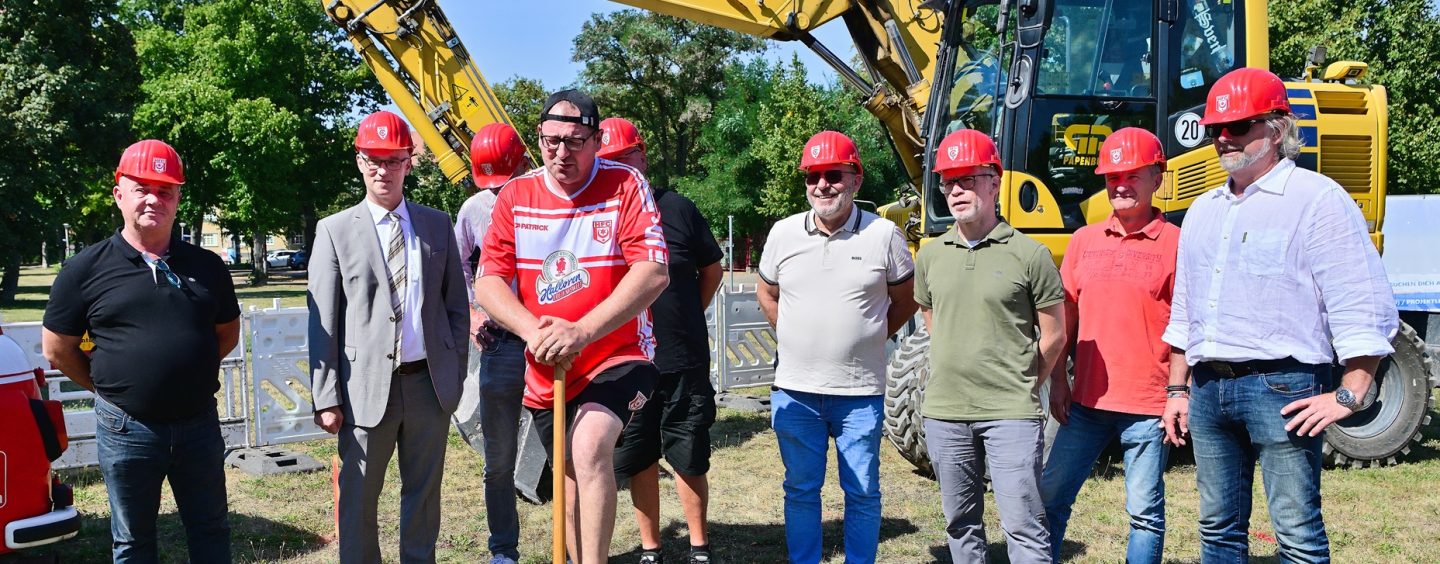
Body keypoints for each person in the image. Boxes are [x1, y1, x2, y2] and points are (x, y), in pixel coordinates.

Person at [1160, 67, 1398, 562]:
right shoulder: (1203, 210)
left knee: (1296, 535)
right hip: (1207, 389)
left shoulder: (1317, 199)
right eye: (1214, 130)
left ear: (1276, 128)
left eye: (1238, 126)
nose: (1223, 138)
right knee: (1217, 530)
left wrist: (1349, 396)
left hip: (1282, 388)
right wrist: (1178, 390)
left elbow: (1361, 303)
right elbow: (1186, 310)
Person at [474, 89, 669, 564]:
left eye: (576, 141)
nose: (562, 153)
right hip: (547, 366)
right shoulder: (517, 195)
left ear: (596, 140)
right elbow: (489, 282)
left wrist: (581, 331)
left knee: (588, 445)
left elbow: (653, 271)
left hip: (619, 356)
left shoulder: (625, 185)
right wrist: (533, 331)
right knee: (566, 473)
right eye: (551, 141)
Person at [42, 139, 239, 563]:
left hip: (198, 425)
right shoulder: (84, 269)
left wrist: (187, 372)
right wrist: (113, 386)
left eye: (165, 189)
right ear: (118, 194)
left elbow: (226, 334)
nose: (154, 198)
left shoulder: (208, 266)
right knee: (133, 540)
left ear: (179, 197)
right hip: (126, 429)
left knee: (210, 529)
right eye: (141, 188)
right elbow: (58, 349)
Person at [307, 110, 469, 564]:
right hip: (363, 391)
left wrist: (453, 372)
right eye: (373, 160)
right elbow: (323, 323)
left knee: (423, 497)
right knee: (358, 498)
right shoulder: (335, 231)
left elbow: (455, 306)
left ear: (409, 163)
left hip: (428, 385)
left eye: (393, 160)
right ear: (359, 161)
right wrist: (326, 397)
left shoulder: (437, 224)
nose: (383, 170)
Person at [756, 130, 917, 564]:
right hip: (795, 392)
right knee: (801, 490)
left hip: (860, 394)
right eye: (813, 176)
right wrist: (790, 332)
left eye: (834, 174)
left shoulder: (884, 235)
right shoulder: (783, 233)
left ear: (856, 179)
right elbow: (767, 293)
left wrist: (870, 335)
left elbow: (905, 299)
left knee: (862, 491)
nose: (823, 185)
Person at [913, 129, 1065, 563]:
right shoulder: (931, 254)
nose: (957, 190)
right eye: (948, 182)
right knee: (960, 524)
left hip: (1010, 414)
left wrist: (1022, 382)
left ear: (995, 180)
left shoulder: (1030, 254)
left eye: (969, 178)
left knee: (1024, 525)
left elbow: (1054, 334)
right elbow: (931, 319)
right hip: (945, 412)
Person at [1039, 127, 1180, 563]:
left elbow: (1185, 327)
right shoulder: (1083, 241)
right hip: (1085, 406)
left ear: (1157, 177)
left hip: (1146, 407)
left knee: (1144, 514)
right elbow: (1066, 319)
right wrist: (1060, 383)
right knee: (1048, 500)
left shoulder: (1177, 244)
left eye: (1132, 175)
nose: (1120, 184)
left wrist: (1177, 392)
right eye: (1112, 176)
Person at [602, 117, 725, 564]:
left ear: (643, 155)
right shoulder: (601, 216)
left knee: (689, 453)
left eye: (625, 158)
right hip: (627, 360)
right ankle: (651, 548)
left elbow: (712, 270)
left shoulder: (678, 209)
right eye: (608, 162)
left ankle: (698, 546)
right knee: (639, 457)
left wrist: (688, 313)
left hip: (682, 356)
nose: (620, 168)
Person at [453, 121, 532, 564]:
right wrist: (472, 312)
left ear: (523, 163)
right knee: (498, 459)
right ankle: (503, 550)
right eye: (492, 184)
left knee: (570, 452)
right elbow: (461, 266)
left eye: (506, 181)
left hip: (547, 345)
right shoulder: (472, 211)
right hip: (500, 348)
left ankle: (579, 548)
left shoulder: (545, 201)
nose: (499, 192)